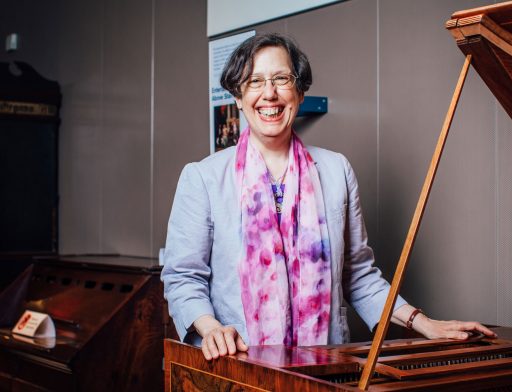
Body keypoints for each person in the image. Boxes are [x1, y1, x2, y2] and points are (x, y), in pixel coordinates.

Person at [161, 33, 495, 361]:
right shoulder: (202, 178)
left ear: (300, 91)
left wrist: (423, 323)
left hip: (325, 366)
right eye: (254, 81)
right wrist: (210, 328)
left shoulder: (336, 170)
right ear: (238, 96)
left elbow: (359, 275)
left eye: (281, 78)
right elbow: (182, 277)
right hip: (241, 365)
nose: (269, 93)